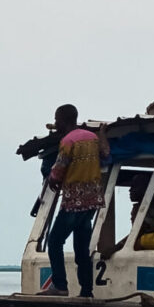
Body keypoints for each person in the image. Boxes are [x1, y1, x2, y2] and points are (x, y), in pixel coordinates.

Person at [43, 105, 106, 296]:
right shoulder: (93, 138)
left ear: (63, 120)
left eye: (56, 119)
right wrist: (103, 133)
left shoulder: (68, 141)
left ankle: (60, 285)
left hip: (73, 202)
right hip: (92, 202)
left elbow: (59, 168)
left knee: (54, 242)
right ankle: (87, 290)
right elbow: (106, 154)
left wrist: (51, 178)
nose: (55, 123)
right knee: (82, 248)